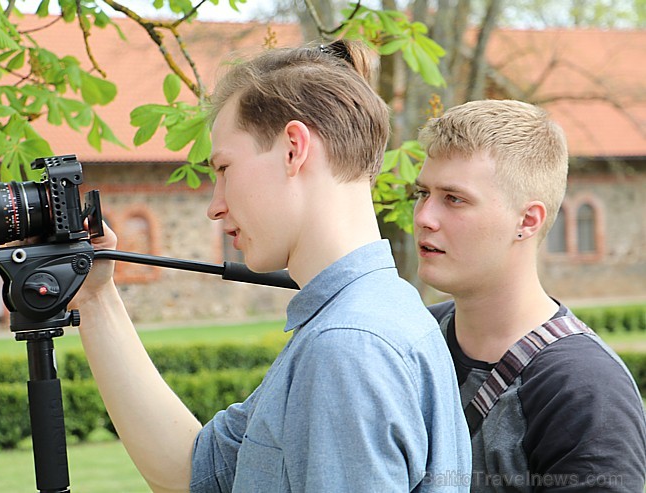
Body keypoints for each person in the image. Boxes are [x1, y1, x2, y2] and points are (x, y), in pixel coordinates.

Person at [71, 40, 471, 492]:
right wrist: (95, 296)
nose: (215, 206)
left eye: (224, 168)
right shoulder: (378, 313)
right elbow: (195, 473)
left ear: (293, 149)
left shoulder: (347, 347)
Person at [412, 99, 646, 492]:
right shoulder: (412, 340)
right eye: (422, 194)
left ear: (527, 221)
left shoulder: (583, 389)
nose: (423, 217)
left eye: (454, 198)